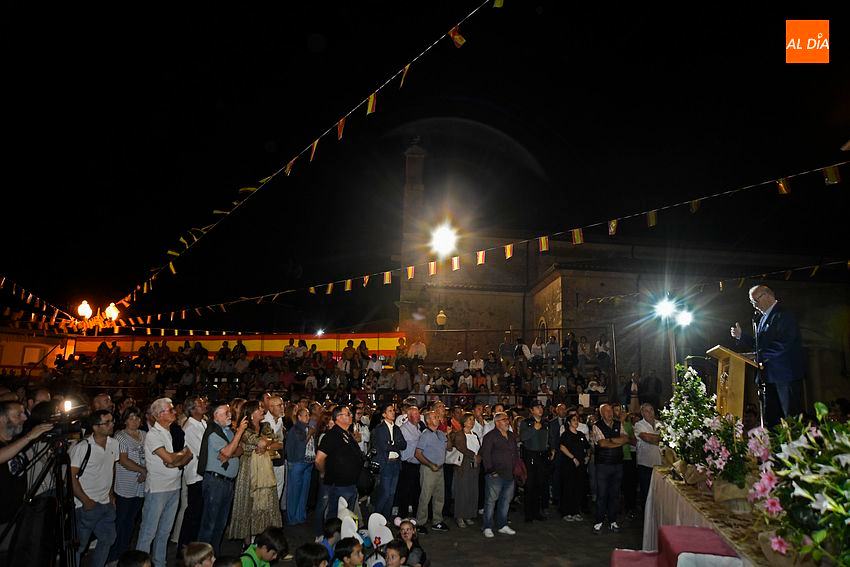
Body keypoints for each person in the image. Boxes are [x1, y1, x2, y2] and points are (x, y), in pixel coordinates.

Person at [731, 285, 805, 427]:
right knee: (772, 421)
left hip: (785, 376)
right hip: (768, 377)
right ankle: (775, 449)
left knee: (791, 420)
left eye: (755, 301)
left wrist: (759, 355)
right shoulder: (761, 319)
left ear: (767, 295)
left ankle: (796, 449)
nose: (754, 306)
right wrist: (742, 337)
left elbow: (785, 343)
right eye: (752, 303)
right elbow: (760, 346)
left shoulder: (783, 314)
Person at [137, 398, 193, 567]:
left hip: (174, 486)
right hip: (157, 490)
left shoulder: (170, 431)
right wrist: (178, 456)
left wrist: (177, 459)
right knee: (148, 532)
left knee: (164, 533)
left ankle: (159, 563)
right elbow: (170, 458)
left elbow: (188, 454)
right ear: (160, 415)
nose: (175, 412)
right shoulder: (153, 435)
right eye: (171, 410)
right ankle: (140, 564)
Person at [0, 400, 53, 561]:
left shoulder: (17, 441)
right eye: (18, 414)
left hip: (16, 513)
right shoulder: (20, 441)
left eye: (24, 413)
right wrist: (30, 436)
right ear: (2, 419)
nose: (24, 418)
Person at [227, 400, 282, 547]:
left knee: (265, 504)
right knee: (248, 505)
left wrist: (267, 444)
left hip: (265, 469)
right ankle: (247, 545)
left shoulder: (265, 426)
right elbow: (260, 443)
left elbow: (279, 443)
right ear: (251, 414)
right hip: (249, 469)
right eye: (259, 408)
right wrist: (266, 444)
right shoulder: (244, 430)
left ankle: (262, 543)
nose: (262, 410)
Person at [197, 400, 248, 556]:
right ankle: (201, 559)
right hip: (215, 482)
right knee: (209, 524)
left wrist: (230, 450)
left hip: (227, 483)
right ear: (215, 416)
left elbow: (239, 450)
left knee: (220, 524)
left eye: (229, 412)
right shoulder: (213, 432)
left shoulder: (228, 432)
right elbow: (227, 452)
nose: (230, 414)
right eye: (226, 413)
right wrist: (238, 434)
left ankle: (213, 556)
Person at [70, 408, 120, 567]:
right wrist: (85, 501)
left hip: (105, 502)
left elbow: (111, 467)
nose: (111, 425)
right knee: (79, 546)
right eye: (107, 422)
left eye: (112, 421)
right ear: (95, 427)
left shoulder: (114, 443)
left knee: (108, 539)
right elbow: (71, 477)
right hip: (86, 505)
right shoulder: (83, 447)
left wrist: (111, 493)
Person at [108, 406, 148, 564]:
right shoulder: (120, 437)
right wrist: (142, 470)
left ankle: (124, 553)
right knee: (121, 521)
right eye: (131, 418)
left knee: (131, 521)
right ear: (125, 420)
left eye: (137, 418)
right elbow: (123, 460)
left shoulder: (144, 435)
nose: (135, 421)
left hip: (141, 486)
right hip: (125, 485)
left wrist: (145, 472)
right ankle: (113, 555)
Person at [315, 406, 363, 520]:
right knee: (336, 517)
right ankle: (333, 537)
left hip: (351, 483)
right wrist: (323, 472)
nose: (351, 416)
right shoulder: (331, 436)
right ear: (338, 417)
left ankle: (345, 536)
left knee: (348, 517)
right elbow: (319, 459)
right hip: (339, 485)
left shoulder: (347, 434)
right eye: (348, 414)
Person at [590, 403, 629, 535]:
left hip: (617, 464)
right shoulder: (597, 426)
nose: (609, 413)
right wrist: (616, 442)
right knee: (602, 494)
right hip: (603, 465)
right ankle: (599, 521)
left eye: (610, 410)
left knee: (615, 494)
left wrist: (610, 441)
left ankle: (613, 520)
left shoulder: (619, 424)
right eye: (606, 411)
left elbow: (625, 439)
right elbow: (601, 443)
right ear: (601, 414)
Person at [479, 410, 519, 538]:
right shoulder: (490, 436)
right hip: (495, 474)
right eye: (504, 419)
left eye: (507, 419)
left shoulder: (511, 436)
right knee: (491, 501)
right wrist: (491, 470)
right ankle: (487, 526)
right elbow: (485, 454)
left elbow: (515, 453)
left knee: (505, 500)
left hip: (509, 473)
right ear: (496, 422)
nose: (507, 421)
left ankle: (502, 524)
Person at [178, 396, 208, 552]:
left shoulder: (202, 422)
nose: (204, 405)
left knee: (199, 513)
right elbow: (201, 452)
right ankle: (184, 547)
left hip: (203, 474)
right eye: (200, 404)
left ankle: (195, 546)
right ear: (192, 409)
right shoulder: (190, 427)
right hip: (196, 474)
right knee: (193, 513)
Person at [370, 402, 407, 520]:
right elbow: (384, 446)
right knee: (385, 493)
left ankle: (385, 519)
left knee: (391, 494)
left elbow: (404, 445)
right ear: (384, 414)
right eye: (390, 410)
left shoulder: (396, 428)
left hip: (395, 463)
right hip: (386, 464)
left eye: (393, 410)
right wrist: (395, 444)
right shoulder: (379, 429)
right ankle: (375, 518)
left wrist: (393, 444)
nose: (393, 413)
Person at [519, 399, 549, 521]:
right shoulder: (526, 423)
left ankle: (537, 512)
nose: (540, 409)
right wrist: (534, 429)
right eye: (537, 407)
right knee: (530, 484)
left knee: (539, 484)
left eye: (541, 407)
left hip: (542, 455)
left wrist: (551, 448)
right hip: (530, 455)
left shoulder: (545, 423)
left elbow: (547, 438)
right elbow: (523, 437)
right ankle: (529, 513)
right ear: (531, 411)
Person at [449, 412, 480, 528]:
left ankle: (469, 514)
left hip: (474, 465)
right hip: (463, 464)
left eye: (473, 420)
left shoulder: (475, 434)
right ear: (464, 422)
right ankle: (460, 516)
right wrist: (473, 455)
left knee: (472, 490)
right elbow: (461, 447)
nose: (471, 422)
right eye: (469, 420)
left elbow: (479, 448)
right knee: (462, 491)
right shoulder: (459, 434)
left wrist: (478, 456)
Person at [559, 409, 591, 521]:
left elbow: (588, 447)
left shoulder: (581, 434)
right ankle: (566, 512)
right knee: (569, 487)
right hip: (569, 465)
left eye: (577, 420)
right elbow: (562, 447)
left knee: (578, 487)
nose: (576, 422)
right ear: (568, 422)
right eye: (573, 420)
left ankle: (575, 511)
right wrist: (572, 458)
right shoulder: (566, 434)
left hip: (581, 465)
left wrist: (587, 456)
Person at [285, 405, 314, 525]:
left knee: (304, 492)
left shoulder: (306, 428)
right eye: (306, 415)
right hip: (297, 462)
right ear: (299, 417)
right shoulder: (296, 429)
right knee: (294, 492)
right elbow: (302, 445)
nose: (308, 417)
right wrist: (310, 433)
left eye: (309, 415)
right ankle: (292, 518)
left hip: (308, 463)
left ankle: (300, 516)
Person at [634, 402, 662, 510]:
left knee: (658, 493)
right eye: (646, 411)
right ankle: (645, 517)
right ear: (642, 413)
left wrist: (656, 438)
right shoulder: (639, 425)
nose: (650, 413)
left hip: (659, 464)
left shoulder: (660, 424)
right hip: (645, 464)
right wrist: (662, 438)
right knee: (646, 492)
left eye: (651, 410)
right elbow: (647, 438)